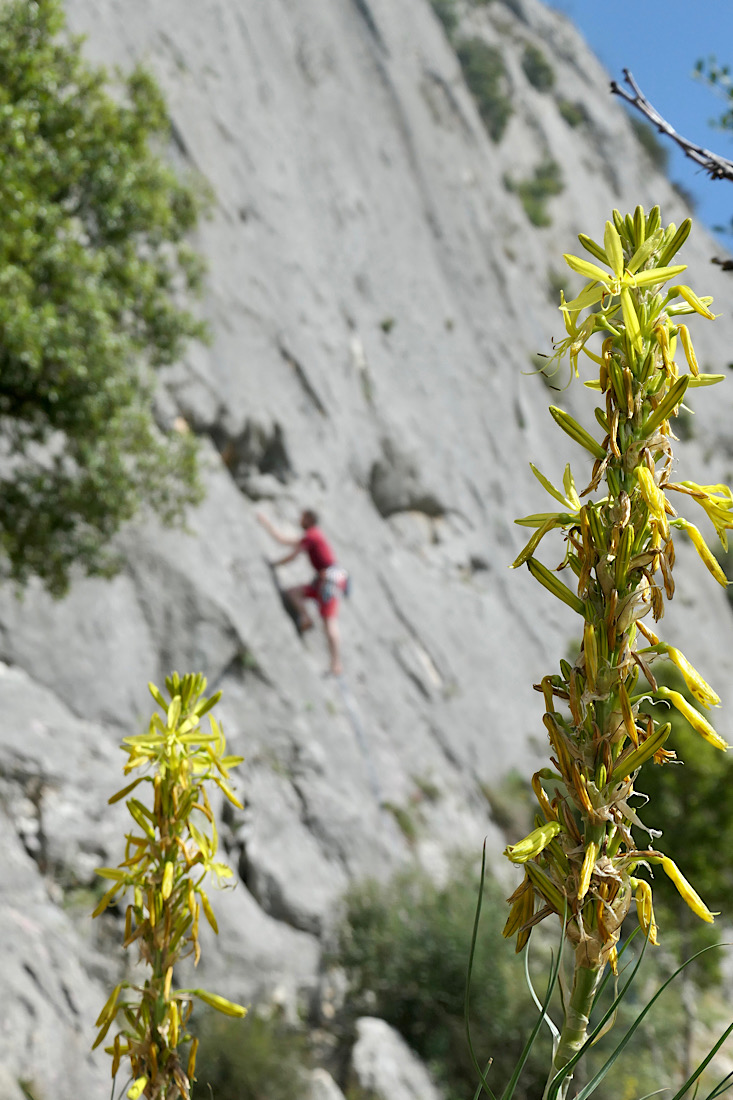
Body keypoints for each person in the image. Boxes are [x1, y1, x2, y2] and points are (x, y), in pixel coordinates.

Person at [256, 508, 349, 676]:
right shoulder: (312, 536)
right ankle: (305, 617)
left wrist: (275, 564)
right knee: (293, 593)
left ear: (308, 519)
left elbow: (293, 554)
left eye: (302, 518)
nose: (299, 520)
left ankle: (336, 663)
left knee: (329, 622)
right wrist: (266, 524)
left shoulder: (312, 535)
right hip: (323, 580)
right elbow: (284, 541)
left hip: (329, 580)